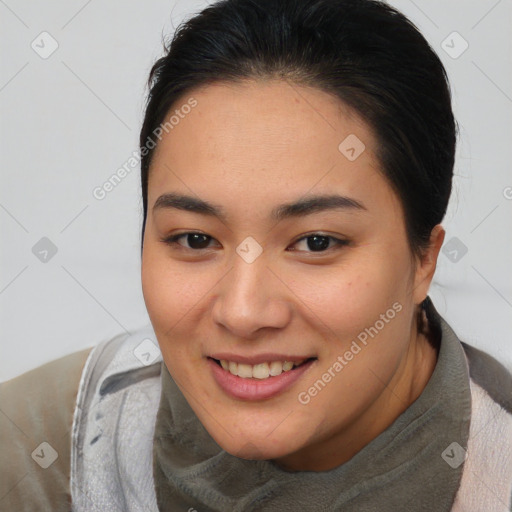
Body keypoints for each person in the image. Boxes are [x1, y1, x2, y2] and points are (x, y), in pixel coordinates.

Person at [1, 0, 511, 510]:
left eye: (316, 242)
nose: (243, 313)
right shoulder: (34, 455)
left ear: (424, 258)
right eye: (196, 239)